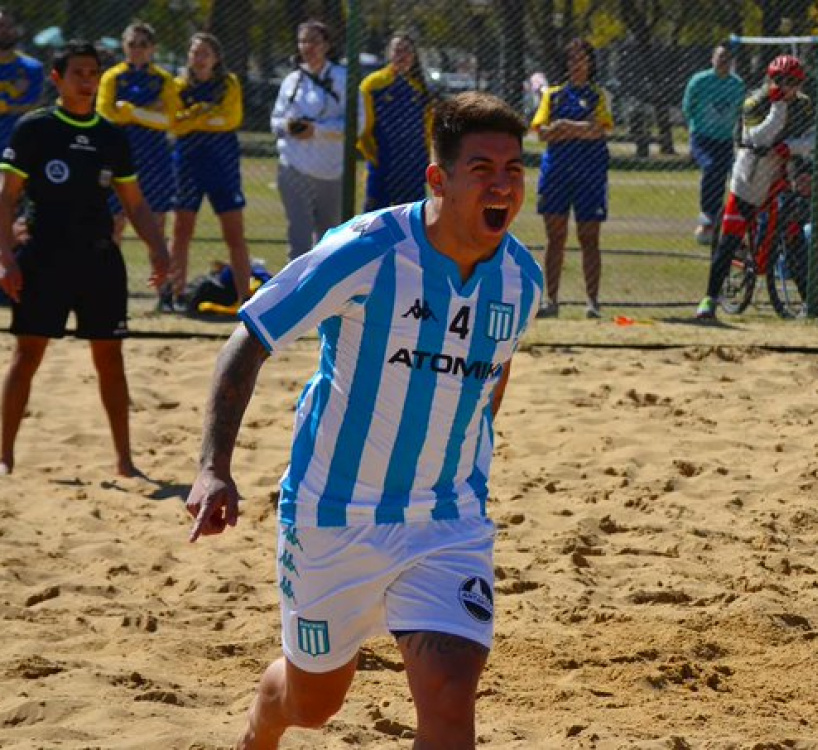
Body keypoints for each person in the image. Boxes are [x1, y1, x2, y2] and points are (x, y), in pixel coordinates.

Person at [184, 91, 541, 749]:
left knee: (451, 698)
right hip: (333, 515)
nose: (503, 185)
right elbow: (251, 338)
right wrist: (213, 467)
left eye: (514, 169)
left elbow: (493, 371)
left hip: (447, 519)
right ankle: (262, 723)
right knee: (312, 702)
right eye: (483, 169)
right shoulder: (368, 249)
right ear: (438, 179)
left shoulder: (522, 279)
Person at [0, 40, 170, 476]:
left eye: (93, 73)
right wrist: (5, 257)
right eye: (77, 72)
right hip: (43, 257)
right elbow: (6, 197)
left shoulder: (110, 136)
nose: (87, 80)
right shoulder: (35, 129)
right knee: (27, 354)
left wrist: (158, 248)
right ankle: (4, 457)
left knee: (110, 358)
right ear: (57, 78)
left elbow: (135, 204)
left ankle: (125, 461)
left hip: (98, 259)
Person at [696, 54, 814, 320]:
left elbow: (813, 140)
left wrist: (790, 147)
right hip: (749, 177)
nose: (784, 86)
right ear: (769, 79)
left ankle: (811, 302)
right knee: (729, 239)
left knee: (793, 237)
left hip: (780, 175)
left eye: (791, 82)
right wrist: (778, 107)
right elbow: (758, 137)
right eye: (778, 80)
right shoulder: (754, 102)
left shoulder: (804, 105)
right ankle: (710, 298)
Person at [531, 37, 614, 319]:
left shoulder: (598, 95)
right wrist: (581, 128)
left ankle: (592, 302)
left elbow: (599, 130)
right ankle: (551, 300)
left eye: (582, 59)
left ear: (590, 64)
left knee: (589, 237)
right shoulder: (553, 95)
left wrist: (565, 126)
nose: (577, 64)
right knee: (555, 237)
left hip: (590, 174)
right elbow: (542, 132)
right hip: (557, 173)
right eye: (572, 59)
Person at [168, 32, 251, 312]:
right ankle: (176, 295)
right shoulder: (178, 85)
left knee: (234, 233)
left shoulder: (228, 83)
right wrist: (206, 114)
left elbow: (230, 119)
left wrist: (193, 116)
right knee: (181, 230)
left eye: (205, 53)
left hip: (221, 165)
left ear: (216, 58)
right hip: (188, 165)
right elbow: (175, 124)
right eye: (195, 53)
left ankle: (246, 299)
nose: (199, 58)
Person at [271, 19, 354, 261]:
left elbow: (355, 124)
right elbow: (275, 121)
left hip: (331, 171)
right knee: (299, 238)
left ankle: (327, 284)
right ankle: (298, 284)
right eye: (303, 41)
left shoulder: (343, 78)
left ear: (327, 45)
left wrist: (316, 130)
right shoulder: (292, 81)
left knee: (330, 240)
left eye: (314, 41)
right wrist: (289, 127)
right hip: (293, 166)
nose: (308, 47)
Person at [96, 21, 179, 249]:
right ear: (124, 45)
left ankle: (161, 272)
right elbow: (106, 116)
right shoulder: (112, 77)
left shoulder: (163, 79)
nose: (137, 49)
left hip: (154, 157)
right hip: (118, 155)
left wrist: (132, 112)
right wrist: (151, 110)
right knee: (114, 223)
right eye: (132, 44)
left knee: (156, 223)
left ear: (153, 48)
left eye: (143, 44)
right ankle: (109, 272)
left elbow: (170, 120)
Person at [357, 32, 434, 212]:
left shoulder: (421, 88)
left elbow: (428, 131)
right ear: (388, 53)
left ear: (414, 56)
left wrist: (426, 159)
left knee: (412, 220)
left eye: (407, 50)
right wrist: (374, 157)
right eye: (397, 50)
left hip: (414, 168)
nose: (402, 55)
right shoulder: (373, 84)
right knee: (375, 220)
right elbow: (363, 127)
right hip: (383, 167)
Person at [682, 44, 745, 245]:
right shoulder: (699, 81)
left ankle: (724, 219)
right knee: (711, 167)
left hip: (725, 140)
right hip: (702, 138)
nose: (723, 61)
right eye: (720, 57)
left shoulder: (737, 85)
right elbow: (688, 108)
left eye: (727, 58)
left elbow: (741, 112)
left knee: (731, 175)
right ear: (712, 59)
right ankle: (707, 216)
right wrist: (692, 131)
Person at [0, 8, 43, 153]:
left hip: (17, 145)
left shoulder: (32, 68)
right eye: (1, 25)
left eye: (10, 26)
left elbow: (34, 106)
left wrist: (7, 107)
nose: (5, 30)